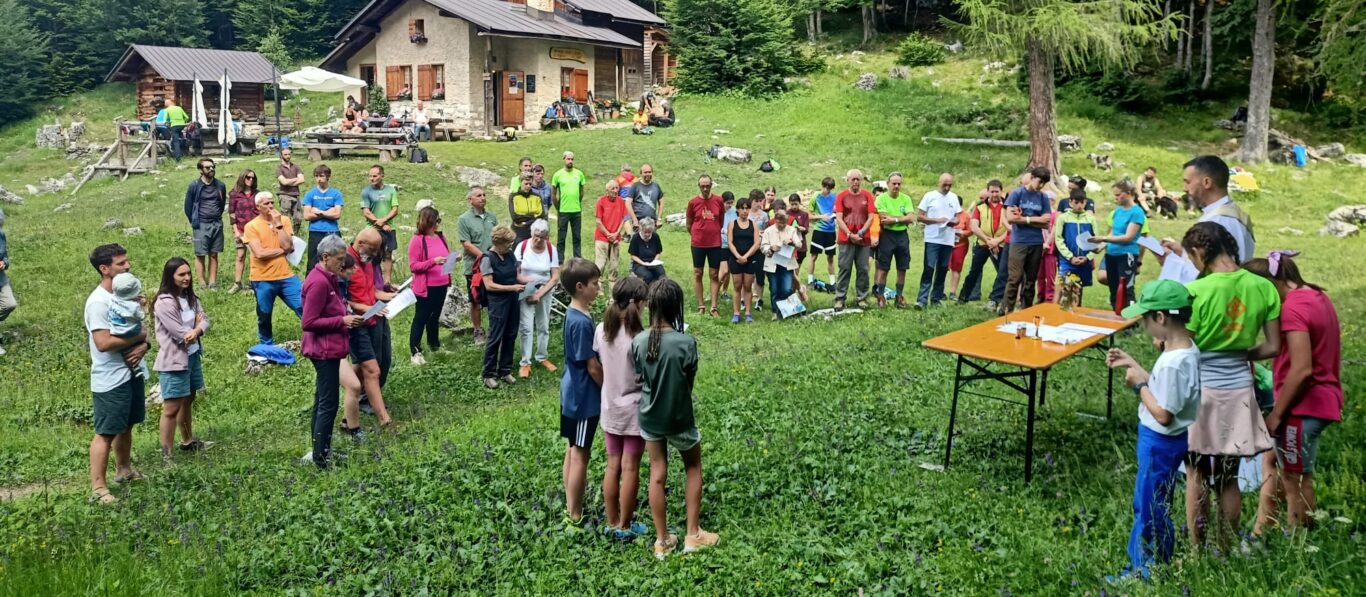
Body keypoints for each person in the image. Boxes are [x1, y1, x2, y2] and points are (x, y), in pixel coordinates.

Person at [1181, 222, 1280, 553]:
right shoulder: (1262, 286)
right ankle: (1225, 550)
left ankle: (1197, 552)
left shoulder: (1196, 291)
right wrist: (1239, 355)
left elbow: (1183, 346)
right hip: (1239, 388)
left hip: (1201, 390)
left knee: (1196, 473)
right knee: (1229, 476)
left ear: (1200, 251)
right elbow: (1273, 346)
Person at [1105, 279, 1201, 582]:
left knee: (1149, 506)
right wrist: (1133, 364)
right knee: (1155, 502)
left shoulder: (1173, 362)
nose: (1144, 326)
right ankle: (1156, 560)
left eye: (1146, 319)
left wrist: (1139, 386)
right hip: (1169, 441)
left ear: (1160, 317)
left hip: (1160, 441)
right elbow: (1166, 392)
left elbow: (1162, 413)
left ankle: (1145, 570)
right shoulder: (1186, 350)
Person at [1245, 252, 1342, 534]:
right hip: (1321, 399)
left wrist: (1276, 415)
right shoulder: (1315, 295)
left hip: (1303, 406)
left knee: (1295, 478)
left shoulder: (1292, 309)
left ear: (1268, 285)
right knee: (1272, 460)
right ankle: (1262, 530)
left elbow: (1301, 370)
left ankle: (1299, 542)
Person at [632, 278, 719, 558]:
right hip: (680, 417)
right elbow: (688, 382)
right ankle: (693, 534)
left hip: (649, 418)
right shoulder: (686, 343)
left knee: (657, 474)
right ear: (675, 307)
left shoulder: (638, 341)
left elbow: (641, 376)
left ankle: (662, 540)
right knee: (693, 467)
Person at [85, 244, 150, 503]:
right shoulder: (98, 303)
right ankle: (98, 488)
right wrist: (140, 336)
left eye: (127, 261)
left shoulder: (125, 294)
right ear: (104, 269)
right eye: (121, 263)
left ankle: (124, 470)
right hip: (110, 377)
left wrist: (144, 344)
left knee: (127, 424)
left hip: (132, 372)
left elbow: (140, 328)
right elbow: (103, 342)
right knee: (106, 431)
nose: (128, 266)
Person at [301, 235, 365, 468]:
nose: (343, 263)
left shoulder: (329, 278)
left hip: (331, 348)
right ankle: (321, 459)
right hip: (323, 351)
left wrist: (344, 313)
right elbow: (308, 322)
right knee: (328, 404)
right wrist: (342, 320)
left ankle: (321, 449)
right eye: (339, 259)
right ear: (325, 257)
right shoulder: (318, 282)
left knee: (322, 400)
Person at [596, 277, 650, 540]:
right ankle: (625, 526)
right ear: (638, 304)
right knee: (630, 468)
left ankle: (612, 521)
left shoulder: (601, 329)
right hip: (635, 410)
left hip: (609, 407)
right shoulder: (640, 338)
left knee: (612, 465)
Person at [152, 257, 213, 461]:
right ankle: (166, 455)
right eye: (181, 275)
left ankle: (187, 441)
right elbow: (180, 334)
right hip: (174, 361)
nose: (187, 278)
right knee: (171, 407)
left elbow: (205, 320)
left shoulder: (190, 297)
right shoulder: (164, 303)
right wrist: (195, 328)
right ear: (171, 276)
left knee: (188, 399)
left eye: (188, 273)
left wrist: (196, 330)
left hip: (192, 355)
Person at [1159, 155, 1256, 283]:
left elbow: (1204, 276)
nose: (1184, 188)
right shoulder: (1235, 213)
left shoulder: (1215, 222)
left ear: (1207, 183)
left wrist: (1170, 261)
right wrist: (1184, 253)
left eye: (1188, 182)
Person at [559, 258, 603, 529]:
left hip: (570, 392)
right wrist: (608, 387)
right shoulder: (582, 323)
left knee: (572, 448)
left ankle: (570, 503)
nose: (599, 287)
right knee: (580, 455)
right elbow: (592, 366)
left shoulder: (573, 313)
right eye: (595, 284)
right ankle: (575, 514)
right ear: (580, 287)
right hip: (583, 398)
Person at [346, 228, 396, 427]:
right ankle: (384, 418)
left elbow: (371, 290)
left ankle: (351, 404)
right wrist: (366, 308)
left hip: (373, 320)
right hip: (357, 324)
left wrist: (389, 296)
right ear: (360, 243)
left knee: (366, 365)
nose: (375, 254)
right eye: (373, 249)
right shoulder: (344, 262)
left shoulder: (366, 261)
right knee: (372, 370)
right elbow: (343, 299)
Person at [244, 192, 303, 345]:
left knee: (304, 305)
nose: (271, 206)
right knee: (264, 314)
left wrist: (278, 224)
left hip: (286, 275)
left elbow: (289, 245)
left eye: (272, 202)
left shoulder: (283, 220)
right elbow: (260, 253)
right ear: (258, 207)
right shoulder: (251, 226)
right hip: (262, 277)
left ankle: (316, 335)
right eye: (266, 203)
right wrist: (283, 251)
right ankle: (266, 346)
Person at [1000, 168, 1052, 314]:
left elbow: (1046, 222)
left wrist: (1024, 219)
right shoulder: (1017, 194)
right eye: (1040, 181)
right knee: (1014, 278)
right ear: (1032, 177)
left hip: (1036, 242)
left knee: (1030, 280)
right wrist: (1036, 220)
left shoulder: (1043, 197)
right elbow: (1011, 218)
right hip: (1019, 242)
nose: (1041, 186)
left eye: (1044, 183)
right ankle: (1006, 310)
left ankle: (1026, 310)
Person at [479, 225, 524, 388]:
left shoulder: (510, 254)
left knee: (511, 333)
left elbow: (517, 275)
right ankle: (488, 373)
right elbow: (489, 285)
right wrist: (512, 288)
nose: (511, 245)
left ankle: (505, 370)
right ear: (499, 243)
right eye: (508, 243)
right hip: (498, 302)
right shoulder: (487, 258)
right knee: (495, 336)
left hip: (513, 299)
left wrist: (532, 282)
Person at [1091, 180, 1147, 311]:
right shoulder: (1117, 212)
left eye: (1118, 195)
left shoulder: (1137, 212)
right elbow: (1112, 233)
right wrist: (1101, 246)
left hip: (1126, 255)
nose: (1116, 198)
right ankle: (1116, 315)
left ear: (1129, 193)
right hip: (1111, 254)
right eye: (1115, 195)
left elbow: (1128, 237)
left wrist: (1103, 238)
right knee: (1114, 288)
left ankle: (1131, 318)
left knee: (1126, 288)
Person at [515, 219, 560, 378]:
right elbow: (516, 272)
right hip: (526, 291)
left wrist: (539, 294)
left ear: (547, 236)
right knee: (526, 326)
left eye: (542, 237)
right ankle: (525, 362)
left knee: (543, 324)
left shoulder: (551, 249)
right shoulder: (522, 247)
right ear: (531, 233)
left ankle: (542, 356)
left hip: (544, 291)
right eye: (536, 236)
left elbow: (555, 277)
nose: (538, 240)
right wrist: (527, 284)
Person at [406, 206, 450, 366]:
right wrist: (433, 262)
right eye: (435, 221)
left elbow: (446, 255)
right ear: (428, 221)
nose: (437, 224)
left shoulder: (440, 236)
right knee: (421, 317)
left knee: (435, 316)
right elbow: (413, 266)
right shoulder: (417, 240)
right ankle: (415, 351)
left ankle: (434, 344)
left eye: (439, 220)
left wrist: (453, 259)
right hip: (426, 287)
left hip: (442, 283)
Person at [958, 181, 1010, 310]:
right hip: (983, 243)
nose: (994, 194)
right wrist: (988, 241)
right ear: (988, 192)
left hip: (1001, 244)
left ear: (1001, 191)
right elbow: (974, 226)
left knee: (1003, 273)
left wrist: (997, 241)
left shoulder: (1008, 206)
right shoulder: (980, 206)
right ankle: (963, 297)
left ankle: (996, 298)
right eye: (992, 191)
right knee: (974, 271)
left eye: (997, 191)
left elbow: (1011, 227)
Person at [915, 173, 962, 309]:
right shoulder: (929, 196)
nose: (947, 188)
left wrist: (955, 221)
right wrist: (937, 220)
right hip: (932, 238)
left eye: (949, 185)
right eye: (944, 185)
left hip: (947, 239)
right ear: (939, 182)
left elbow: (958, 216)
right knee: (929, 268)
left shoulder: (954, 197)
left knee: (942, 269)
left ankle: (936, 298)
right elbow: (920, 217)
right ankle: (922, 299)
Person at [458, 186, 496, 345]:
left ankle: (494, 329)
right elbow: (466, 244)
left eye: (484, 195)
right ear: (470, 200)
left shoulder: (492, 217)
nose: (483, 198)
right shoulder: (464, 219)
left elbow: (497, 237)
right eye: (479, 195)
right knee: (475, 299)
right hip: (474, 267)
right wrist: (484, 257)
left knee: (494, 297)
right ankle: (478, 330)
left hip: (492, 264)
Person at [833, 170, 876, 310]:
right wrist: (850, 234)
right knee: (844, 268)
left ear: (861, 180)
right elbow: (839, 218)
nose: (856, 182)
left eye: (858, 179)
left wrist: (861, 232)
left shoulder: (868, 195)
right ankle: (840, 298)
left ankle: (862, 298)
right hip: (846, 239)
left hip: (864, 239)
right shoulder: (841, 196)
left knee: (863, 269)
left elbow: (871, 216)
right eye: (853, 179)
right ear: (848, 180)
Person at [870, 173, 913, 308]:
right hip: (887, 236)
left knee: (902, 268)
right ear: (888, 184)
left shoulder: (906, 198)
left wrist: (894, 219)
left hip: (902, 236)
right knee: (883, 267)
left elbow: (910, 217)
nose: (896, 186)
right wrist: (901, 218)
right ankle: (880, 295)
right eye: (894, 183)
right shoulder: (881, 198)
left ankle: (899, 296)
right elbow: (884, 219)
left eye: (899, 183)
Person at [183, 158, 227, 290]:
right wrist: (193, 221)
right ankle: (202, 282)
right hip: (201, 224)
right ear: (200, 170)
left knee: (214, 254)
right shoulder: (194, 185)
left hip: (216, 223)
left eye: (213, 167)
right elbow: (188, 206)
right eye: (207, 167)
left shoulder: (220, 185)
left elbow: (222, 204)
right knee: (200, 254)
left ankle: (212, 282)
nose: (211, 169)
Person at [686, 175, 725, 316]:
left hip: (714, 243)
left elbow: (721, 220)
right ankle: (701, 305)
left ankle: (714, 306)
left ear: (711, 185)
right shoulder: (693, 203)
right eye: (702, 186)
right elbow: (689, 223)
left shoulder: (718, 201)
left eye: (707, 186)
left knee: (714, 274)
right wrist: (697, 235)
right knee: (698, 273)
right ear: (699, 186)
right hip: (698, 243)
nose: (705, 189)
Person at [1054, 189, 1100, 302]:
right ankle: (1060, 309)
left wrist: (1088, 257)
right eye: (1076, 202)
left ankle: (1076, 309)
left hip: (1084, 260)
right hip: (1067, 260)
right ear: (1070, 202)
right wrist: (1070, 256)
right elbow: (1058, 238)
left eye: (1082, 202)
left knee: (1078, 289)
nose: (1079, 205)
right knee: (1065, 287)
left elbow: (1096, 240)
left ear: (1085, 202)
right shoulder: (1063, 218)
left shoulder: (1090, 219)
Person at [761, 201, 802, 319]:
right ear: (775, 220)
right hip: (772, 263)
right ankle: (775, 311)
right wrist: (771, 248)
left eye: (784, 223)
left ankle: (786, 309)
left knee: (787, 288)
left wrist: (792, 242)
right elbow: (763, 247)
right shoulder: (768, 231)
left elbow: (799, 244)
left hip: (786, 263)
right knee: (774, 288)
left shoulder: (791, 230)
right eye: (780, 223)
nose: (782, 225)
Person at [360, 165, 400, 282]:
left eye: (375, 176)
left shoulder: (391, 190)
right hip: (372, 229)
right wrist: (380, 224)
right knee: (372, 256)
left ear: (382, 175)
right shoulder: (366, 192)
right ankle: (373, 282)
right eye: (370, 176)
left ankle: (387, 282)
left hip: (389, 228)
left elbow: (395, 209)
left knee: (388, 255)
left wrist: (384, 220)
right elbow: (366, 212)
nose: (371, 178)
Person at [108, 273, 150, 381]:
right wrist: (143, 306)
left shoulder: (112, 298)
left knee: (125, 350)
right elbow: (141, 316)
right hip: (131, 330)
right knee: (140, 332)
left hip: (116, 329)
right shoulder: (134, 307)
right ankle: (137, 367)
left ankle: (135, 368)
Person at [302, 165, 344, 271]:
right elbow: (306, 216)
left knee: (335, 259)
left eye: (321, 176)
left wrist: (319, 212)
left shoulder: (336, 194)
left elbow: (337, 215)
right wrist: (328, 212)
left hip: (332, 231)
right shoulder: (310, 194)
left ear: (328, 176)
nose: (319, 179)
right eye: (316, 176)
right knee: (313, 261)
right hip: (315, 231)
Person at [726, 196, 760, 323]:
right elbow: (730, 242)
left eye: (747, 208)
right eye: (742, 208)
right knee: (737, 286)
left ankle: (748, 312)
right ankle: (736, 313)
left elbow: (756, 243)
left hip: (749, 259)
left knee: (747, 286)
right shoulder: (732, 224)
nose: (745, 211)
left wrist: (746, 256)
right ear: (738, 210)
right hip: (735, 259)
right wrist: (738, 256)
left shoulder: (753, 224)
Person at [227, 168, 259, 294]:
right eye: (248, 177)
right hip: (241, 229)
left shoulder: (257, 194)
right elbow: (232, 213)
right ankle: (237, 283)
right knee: (240, 256)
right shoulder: (234, 194)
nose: (250, 180)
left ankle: (252, 283)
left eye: (253, 178)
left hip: (255, 230)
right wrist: (235, 231)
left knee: (254, 256)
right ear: (242, 178)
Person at [552, 151, 588, 258]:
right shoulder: (557, 175)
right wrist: (558, 207)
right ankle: (559, 261)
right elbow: (553, 194)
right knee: (561, 238)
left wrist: (577, 202)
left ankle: (577, 260)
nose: (570, 161)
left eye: (572, 159)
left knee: (577, 237)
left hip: (576, 211)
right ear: (564, 159)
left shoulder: (579, 174)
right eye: (568, 159)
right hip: (563, 211)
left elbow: (581, 191)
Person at [595, 180, 628, 287]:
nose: (615, 190)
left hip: (615, 237)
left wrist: (617, 233)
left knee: (614, 264)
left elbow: (623, 218)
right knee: (600, 263)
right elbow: (598, 221)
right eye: (613, 188)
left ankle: (612, 286)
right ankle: (598, 285)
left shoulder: (621, 201)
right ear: (607, 190)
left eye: (617, 188)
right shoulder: (601, 201)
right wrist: (608, 234)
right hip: (602, 237)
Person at [807, 177, 839, 288]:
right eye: (825, 187)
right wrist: (821, 216)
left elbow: (838, 212)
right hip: (819, 230)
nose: (827, 190)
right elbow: (809, 216)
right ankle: (810, 281)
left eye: (829, 188)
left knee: (830, 258)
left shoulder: (834, 197)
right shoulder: (815, 197)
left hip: (831, 231)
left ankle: (833, 283)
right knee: (813, 256)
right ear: (822, 186)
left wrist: (834, 216)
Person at [626, 164, 663, 237]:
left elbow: (661, 202)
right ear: (641, 174)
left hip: (652, 222)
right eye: (645, 172)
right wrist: (634, 219)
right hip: (639, 223)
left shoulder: (656, 186)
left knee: (652, 243)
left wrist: (659, 219)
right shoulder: (635, 186)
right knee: (637, 243)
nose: (647, 174)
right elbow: (628, 203)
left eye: (649, 172)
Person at [276, 148, 307, 233]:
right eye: (285, 154)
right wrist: (296, 179)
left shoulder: (296, 167)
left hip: (296, 195)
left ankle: (295, 234)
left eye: (289, 154)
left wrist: (288, 181)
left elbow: (302, 180)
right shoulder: (279, 168)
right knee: (286, 218)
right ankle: (286, 234)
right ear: (281, 156)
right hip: (284, 195)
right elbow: (284, 182)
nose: (288, 156)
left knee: (298, 218)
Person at [629, 218, 665, 285]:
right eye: (645, 232)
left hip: (653, 262)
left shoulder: (655, 236)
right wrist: (643, 263)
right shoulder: (635, 238)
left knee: (661, 274)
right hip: (639, 263)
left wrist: (655, 261)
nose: (647, 234)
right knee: (648, 276)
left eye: (649, 232)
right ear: (641, 230)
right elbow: (633, 256)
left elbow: (658, 252)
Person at [509, 173, 543, 242]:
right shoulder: (513, 197)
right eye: (526, 184)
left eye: (530, 184)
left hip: (534, 232)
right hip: (519, 232)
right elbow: (515, 217)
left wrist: (525, 222)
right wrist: (532, 217)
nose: (528, 186)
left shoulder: (537, 197)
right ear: (520, 182)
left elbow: (541, 215)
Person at [0, 208, 15, 355]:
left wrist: (4, 263)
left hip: (1, 278)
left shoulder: (1, 235)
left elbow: (5, 256)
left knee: (10, 304)